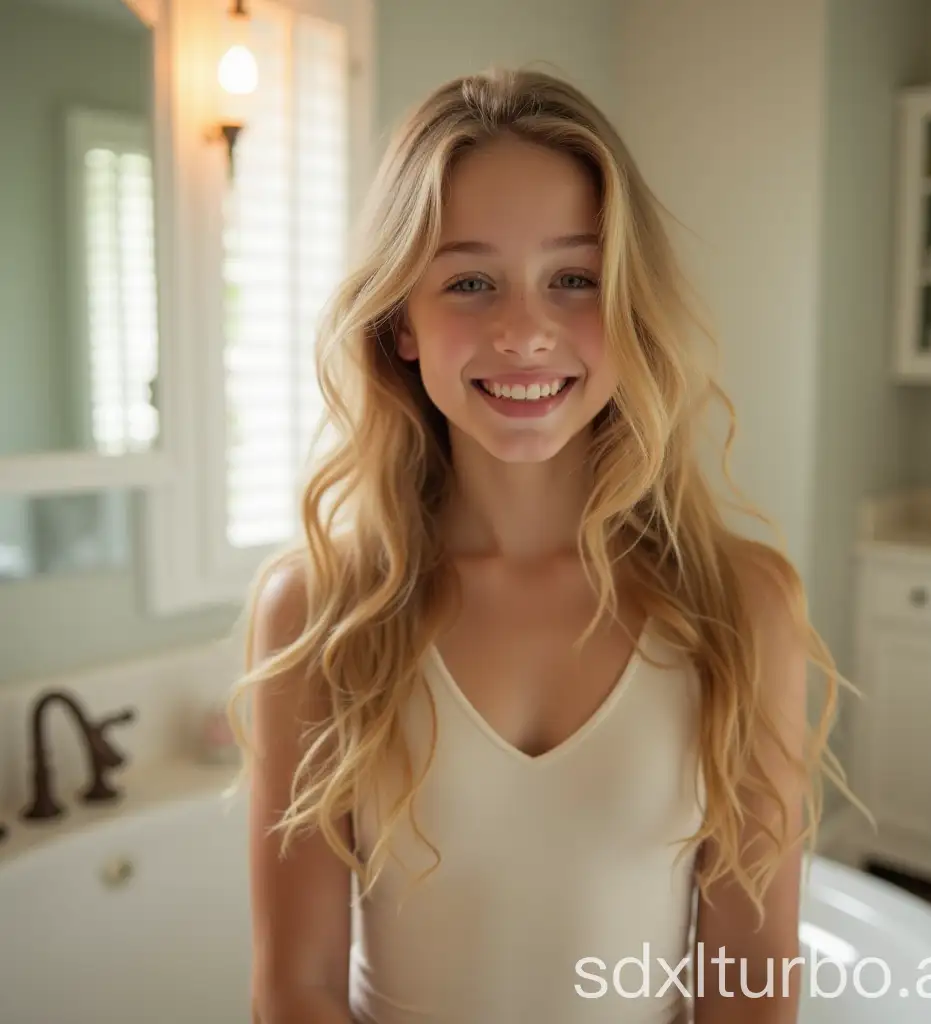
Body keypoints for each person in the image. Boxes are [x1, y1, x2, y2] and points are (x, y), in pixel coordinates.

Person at [230, 66, 858, 1024]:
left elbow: (750, 990)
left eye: (574, 279)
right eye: (471, 281)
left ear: (630, 303)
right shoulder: (319, 610)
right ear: (402, 320)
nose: (524, 331)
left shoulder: (742, 604)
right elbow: (297, 989)